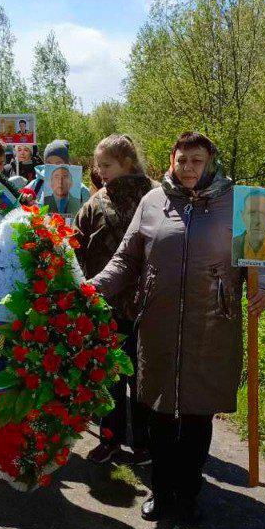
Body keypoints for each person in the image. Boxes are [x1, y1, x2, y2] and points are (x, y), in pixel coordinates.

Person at [92, 131, 265, 529]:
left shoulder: (244, 203)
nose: (189, 167)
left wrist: (263, 285)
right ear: (171, 160)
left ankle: (189, 494)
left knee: (196, 415)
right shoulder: (153, 202)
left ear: (209, 161)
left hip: (213, 324)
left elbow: (262, 258)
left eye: (197, 160)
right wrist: (94, 287)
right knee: (157, 412)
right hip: (157, 322)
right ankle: (161, 491)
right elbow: (126, 258)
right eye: (182, 160)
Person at [75, 135, 154, 464]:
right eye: (98, 165)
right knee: (108, 374)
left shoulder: (156, 196)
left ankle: (144, 443)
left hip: (148, 305)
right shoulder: (96, 202)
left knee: (143, 376)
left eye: (106, 165)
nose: (100, 171)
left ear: (128, 163)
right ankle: (110, 438)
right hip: (105, 305)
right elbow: (75, 244)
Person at [21, 140, 91, 208]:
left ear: (67, 164)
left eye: (58, 164)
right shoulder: (35, 186)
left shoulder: (82, 191)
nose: (54, 168)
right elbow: (18, 213)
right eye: (49, 164)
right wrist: (26, 205)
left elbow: (88, 217)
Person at [232, 189, 265, 268]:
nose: (257, 221)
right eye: (251, 213)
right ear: (243, 216)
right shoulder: (233, 245)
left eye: (262, 213)